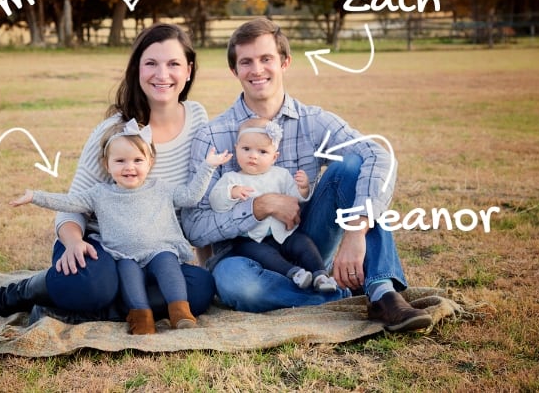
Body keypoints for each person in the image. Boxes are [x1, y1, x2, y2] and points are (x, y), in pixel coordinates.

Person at [0, 23, 217, 327]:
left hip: (155, 250)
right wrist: (74, 242)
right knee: (95, 285)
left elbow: (198, 197)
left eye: (173, 64)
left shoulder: (197, 117)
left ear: (189, 70)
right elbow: (73, 205)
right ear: (137, 69)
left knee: (200, 289)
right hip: (101, 245)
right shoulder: (114, 131)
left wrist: (205, 258)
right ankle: (11, 296)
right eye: (151, 63)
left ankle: (66, 313)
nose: (162, 74)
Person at [183, 17, 432, 332]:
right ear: (235, 71)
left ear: (285, 62)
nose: (257, 69)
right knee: (239, 286)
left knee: (353, 167)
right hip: (242, 253)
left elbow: (378, 156)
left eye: (266, 59)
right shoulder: (213, 135)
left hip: (305, 241)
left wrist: (355, 232)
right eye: (246, 62)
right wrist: (257, 207)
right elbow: (195, 226)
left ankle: (383, 292)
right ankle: (338, 297)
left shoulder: (313, 121)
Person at [10, 119, 231, 334]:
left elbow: (191, 197)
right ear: (107, 164)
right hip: (124, 256)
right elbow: (68, 202)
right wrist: (35, 196)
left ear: (150, 162)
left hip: (160, 251)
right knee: (130, 277)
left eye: (137, 160)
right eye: (120, 161)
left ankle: (180, 312)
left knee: (169, 266)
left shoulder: (161, 188)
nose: (129, 167)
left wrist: (208, 166)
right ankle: (141, 318)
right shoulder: (100, 194)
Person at [208, 117, 337, 292]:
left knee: (303, 243)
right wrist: (231, 192)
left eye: (262, 152)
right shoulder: (232, 179)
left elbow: (295, 199)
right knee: (264, 255)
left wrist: (303, 188)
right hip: (251, 238)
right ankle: (295, 273)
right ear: (236, 149)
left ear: (274, 157)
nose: (253, 155)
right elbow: (216, 203)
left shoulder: (281, 175)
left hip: (283, 233)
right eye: (246, 149)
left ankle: (320, 274)